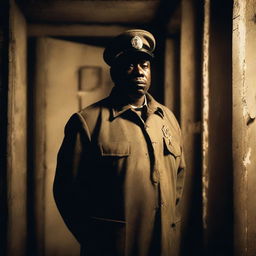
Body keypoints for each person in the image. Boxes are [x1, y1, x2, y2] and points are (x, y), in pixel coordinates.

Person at [53, 29, 186, 256]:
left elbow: (179, 179)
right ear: (114, 72)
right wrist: (98, 240)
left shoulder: (168, 118)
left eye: (144, 64)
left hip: (164, 246)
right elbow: (67, 193)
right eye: (129, 65)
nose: (139, 72)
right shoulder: (87, 122)